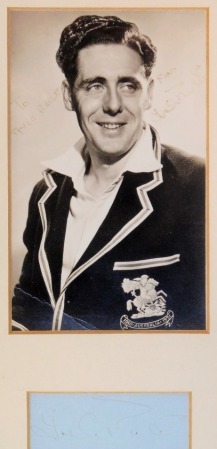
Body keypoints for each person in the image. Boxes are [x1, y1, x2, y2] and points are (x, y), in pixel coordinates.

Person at [12, 15, 205, 331]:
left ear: (149, 92)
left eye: (128, 85)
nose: (113, 104)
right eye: (95, 85)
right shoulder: (44, 192)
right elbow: (26, 312)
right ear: (68, 95)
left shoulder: (200, 184)